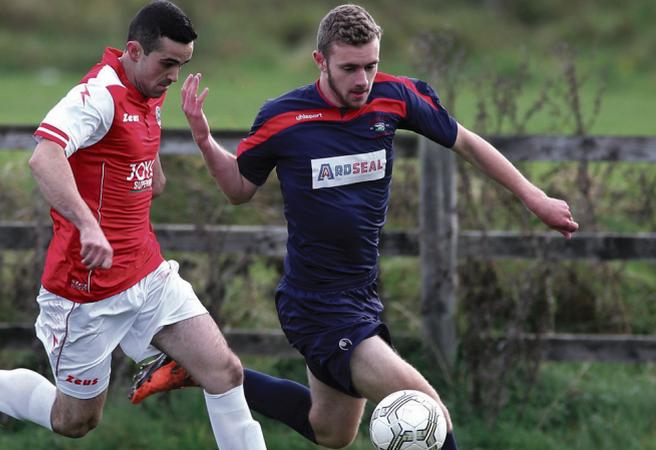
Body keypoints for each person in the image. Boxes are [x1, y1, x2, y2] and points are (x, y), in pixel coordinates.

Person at [128, 4, 580, 449]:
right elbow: (240, 188)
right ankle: (203, 369)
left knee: (330, 432)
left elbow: (466, 141)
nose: (362, 80)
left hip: (361, 294)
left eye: (371, 65)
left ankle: (196, 370)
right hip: (316, 304)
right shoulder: (285, 118)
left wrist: (533, 196)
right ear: (320, 61)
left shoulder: (395, 97)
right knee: (427, 411)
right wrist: (205, 139)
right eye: (349, 68)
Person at [0, 2, 267, 448]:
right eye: (167, 63)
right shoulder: (98, 94)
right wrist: (89, 225)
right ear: (134, 51)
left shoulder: (150, 89)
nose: (174, 75)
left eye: (183, 64)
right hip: (85, 292)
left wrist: (153, 168)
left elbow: (143, 171)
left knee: (225, 372)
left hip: (148, 275)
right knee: (74, 420)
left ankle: (155, 353)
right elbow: (44, 157)